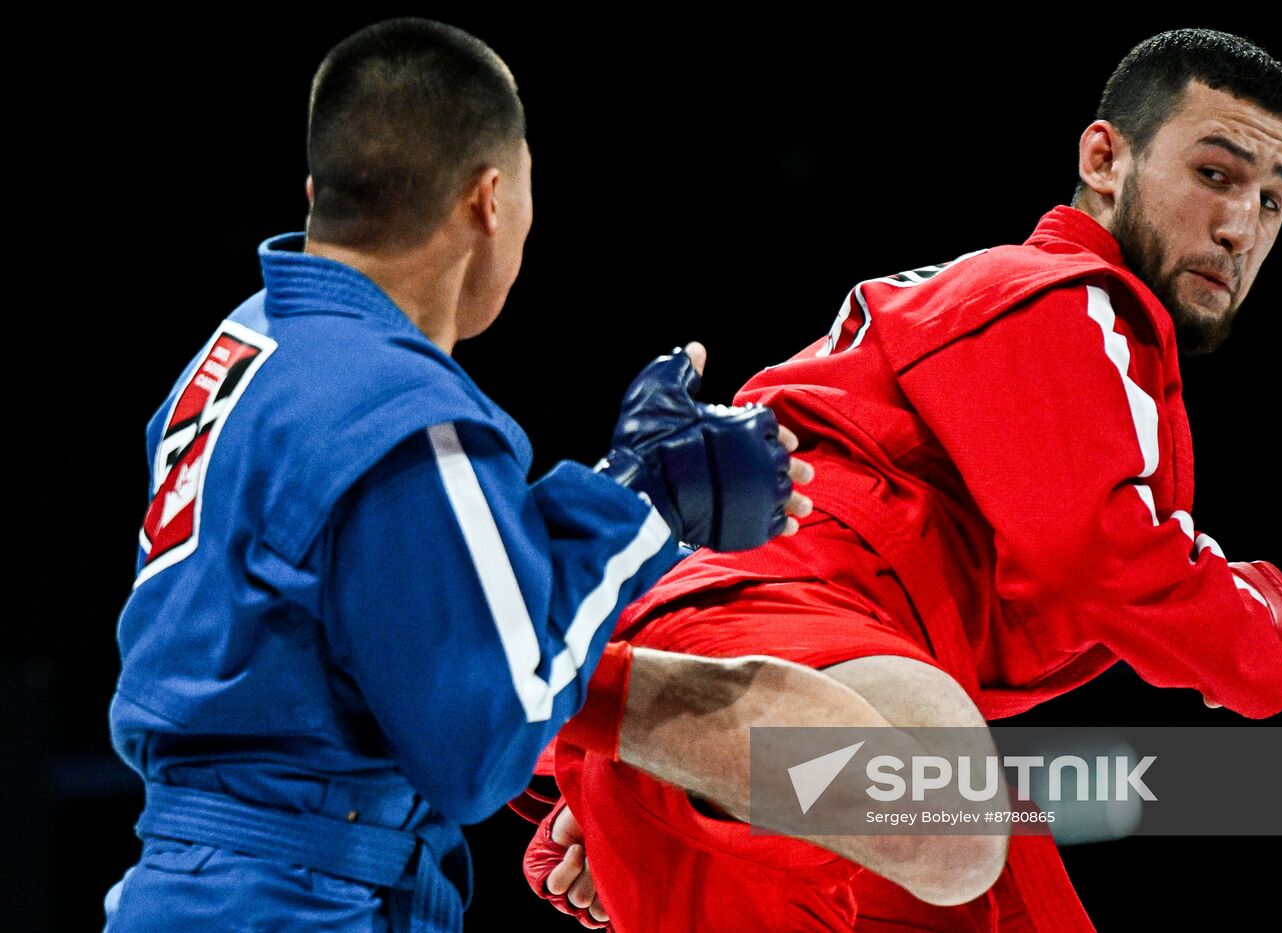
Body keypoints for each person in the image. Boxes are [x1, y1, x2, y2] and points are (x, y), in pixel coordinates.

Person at [520, 27, 1282, 932]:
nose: (1239, 225)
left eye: (1272, 202)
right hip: (784, 611)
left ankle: (647, 760)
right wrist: (1263, 636)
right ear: (1105, 158)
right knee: (956, 823)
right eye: (1215, 175)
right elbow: (1094, 555)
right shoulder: (1061, 294)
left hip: (791, 675)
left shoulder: (988, 301)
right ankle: (553, 687)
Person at [101, 18, 825, 933]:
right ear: (490, 199)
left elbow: (390, 596)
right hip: (300, 903)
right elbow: (483, 743)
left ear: (322, 191)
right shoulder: (401, 409)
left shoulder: (241, 349)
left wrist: (618, 498)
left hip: (189, 885)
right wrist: (643, 498)